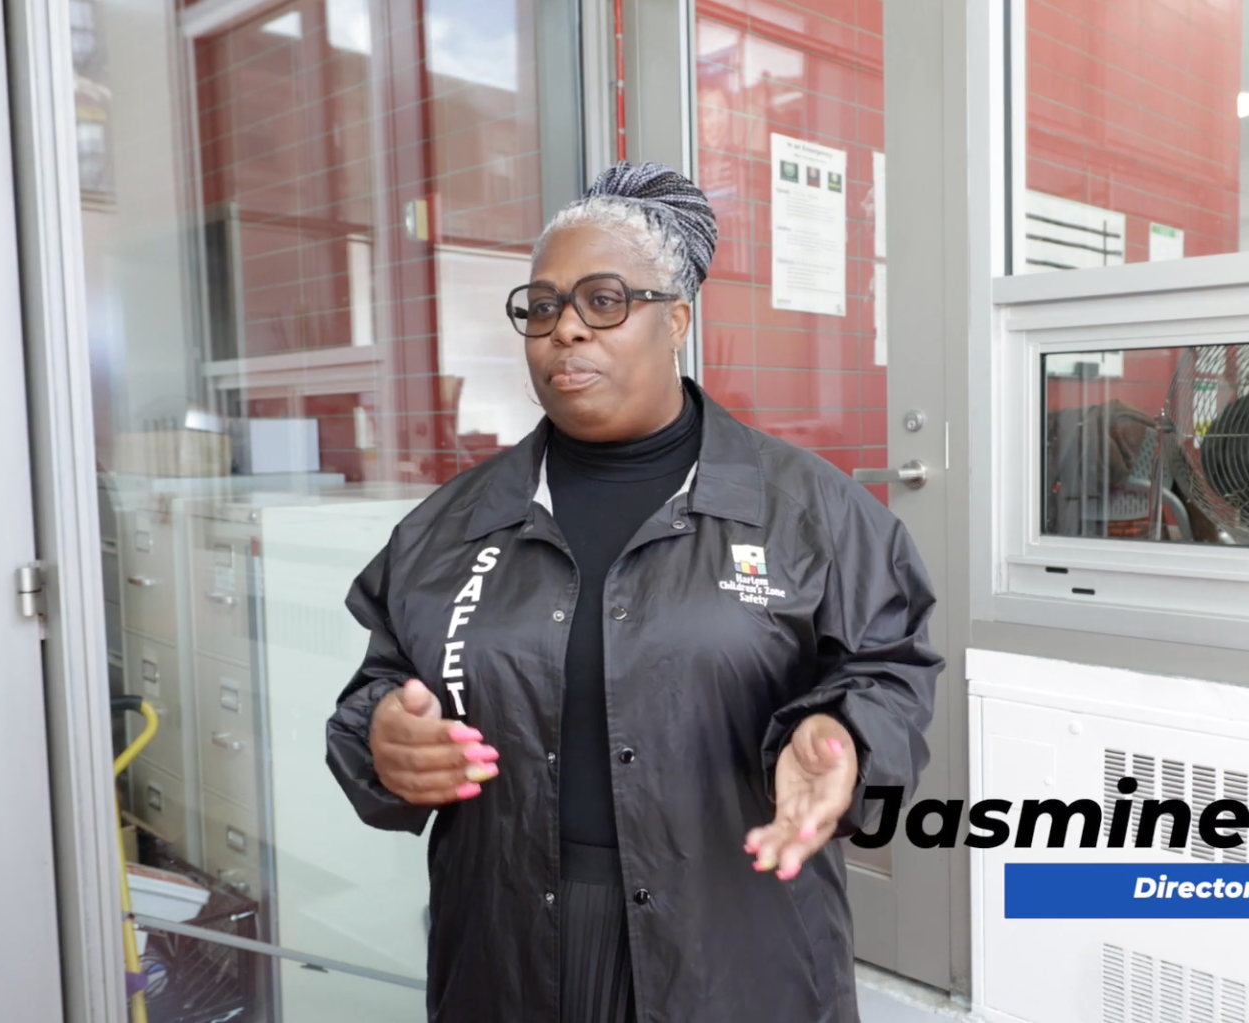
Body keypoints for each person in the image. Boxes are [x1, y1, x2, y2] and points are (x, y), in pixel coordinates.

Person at [325, 163, 943, 1023]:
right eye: (541, 307)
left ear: (676, 319)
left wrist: (840, 729)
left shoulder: (807, 508)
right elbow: (378, 688)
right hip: (510, 948)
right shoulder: (452, 526)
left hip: (732, 944)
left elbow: (891, 661)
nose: (566, 331)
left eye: (603, 300)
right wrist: (382, 740)